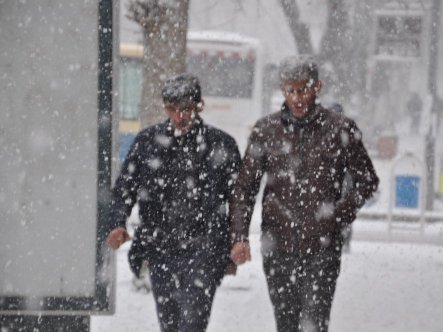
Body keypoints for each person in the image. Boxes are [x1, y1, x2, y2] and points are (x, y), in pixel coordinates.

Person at [229, 55, 379, 332]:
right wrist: (239, 237)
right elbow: (245, 188)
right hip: (278, 246)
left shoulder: (340, 129)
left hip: (322, 247)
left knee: (314, 324)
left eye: (304, 89)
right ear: (282, 90)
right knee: (286, 325)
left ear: (317, 87)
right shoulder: (266, 130)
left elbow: (368, 180)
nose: (297, 98)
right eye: (290, 90)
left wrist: (339, 213)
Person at [105, 74, 241, 332]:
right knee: (170, 323)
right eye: (172, 109)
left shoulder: (221, 145)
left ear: (199, 106)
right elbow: (125, 187)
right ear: (165, 107)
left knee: (192, 323)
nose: (179, 116)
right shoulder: (148, 142)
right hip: (161, 248)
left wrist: (237, 241)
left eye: (186, 109)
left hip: (205, 249)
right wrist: (116, 223)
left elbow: (238, 200)